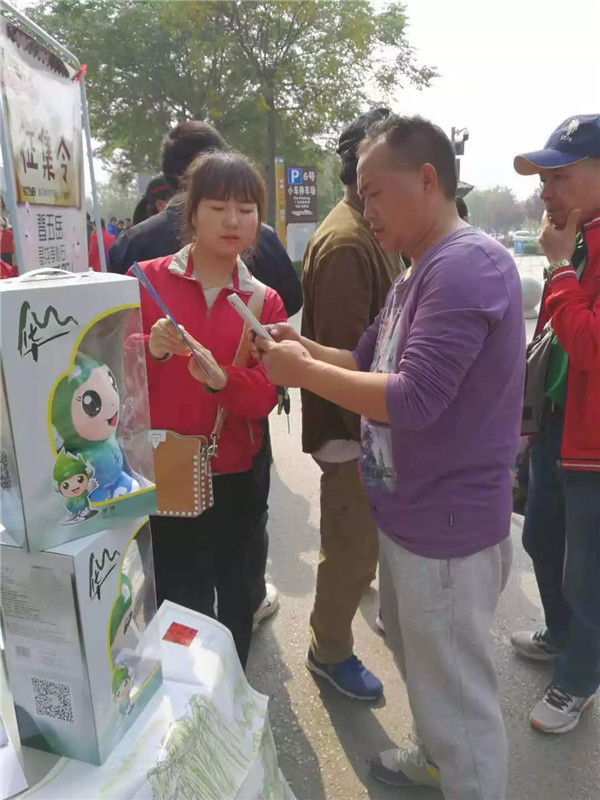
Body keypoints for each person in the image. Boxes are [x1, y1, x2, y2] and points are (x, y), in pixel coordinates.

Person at [252, 115, 525, 800]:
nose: (364, 206)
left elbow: (414, 398)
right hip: (411, 515)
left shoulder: (464, 266)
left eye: (374, 191)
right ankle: (437, 757)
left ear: (427, 180)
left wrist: (302, 373)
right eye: (360, 192)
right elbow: (363, 360)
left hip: (449, 526)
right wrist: (302, 347)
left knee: (459, 699)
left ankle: (464, 777)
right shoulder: (416, 271)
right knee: (423, 664)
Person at [110, 120, 303, 630]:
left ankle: (231, 677)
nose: (233, 220)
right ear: (192, 213)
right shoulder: (144, 282)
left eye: (247, 209)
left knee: (238, 598)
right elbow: (112, 374)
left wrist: (223, 382)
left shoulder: (263, 300)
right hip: (167, 467)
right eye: (218, 208)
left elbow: (266, 395)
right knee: (180, 601)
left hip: (236, 471)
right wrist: (148, 347)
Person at [301, 108, 402, 701]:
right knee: (350, 551)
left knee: (358, 547)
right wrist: (370, 444)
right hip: (354, 431)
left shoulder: (367, 228)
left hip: (366, 424)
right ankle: (329, 649)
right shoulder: (347, 241)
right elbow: (343, 359)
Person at [511, 114, 600, 734]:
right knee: (540, 538)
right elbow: (551, 339)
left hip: (592, 441)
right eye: (544, 178)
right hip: (556, 426)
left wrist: (561, 268)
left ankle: (580, 677)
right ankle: (562, 633)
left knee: (588, 570)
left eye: (560, 176)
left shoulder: (566, 251)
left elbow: (588, 345)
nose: (546, 191)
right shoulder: (573, 239)